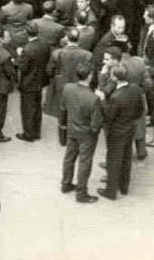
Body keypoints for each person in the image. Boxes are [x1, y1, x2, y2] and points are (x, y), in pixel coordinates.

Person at [98, 62, 145, 200]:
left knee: (113, 160)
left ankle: (110, 191)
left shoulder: (115, 97)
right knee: (126, 158)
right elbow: (140, 110)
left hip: (117, 131)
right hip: (130, 127)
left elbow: (108, 116)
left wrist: (102, 101)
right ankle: (124, 187)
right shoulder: (136, 89)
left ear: (114, 77)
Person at [58, 61, 103, 204]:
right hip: (87, 134)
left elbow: (63, 108)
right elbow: (96, 124)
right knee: (85, 162)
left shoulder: (67, 88)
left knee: (69, 157)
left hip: (72, 129)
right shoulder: (93, 98)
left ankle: (66, 184)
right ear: (90, 76)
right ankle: (81, 193)